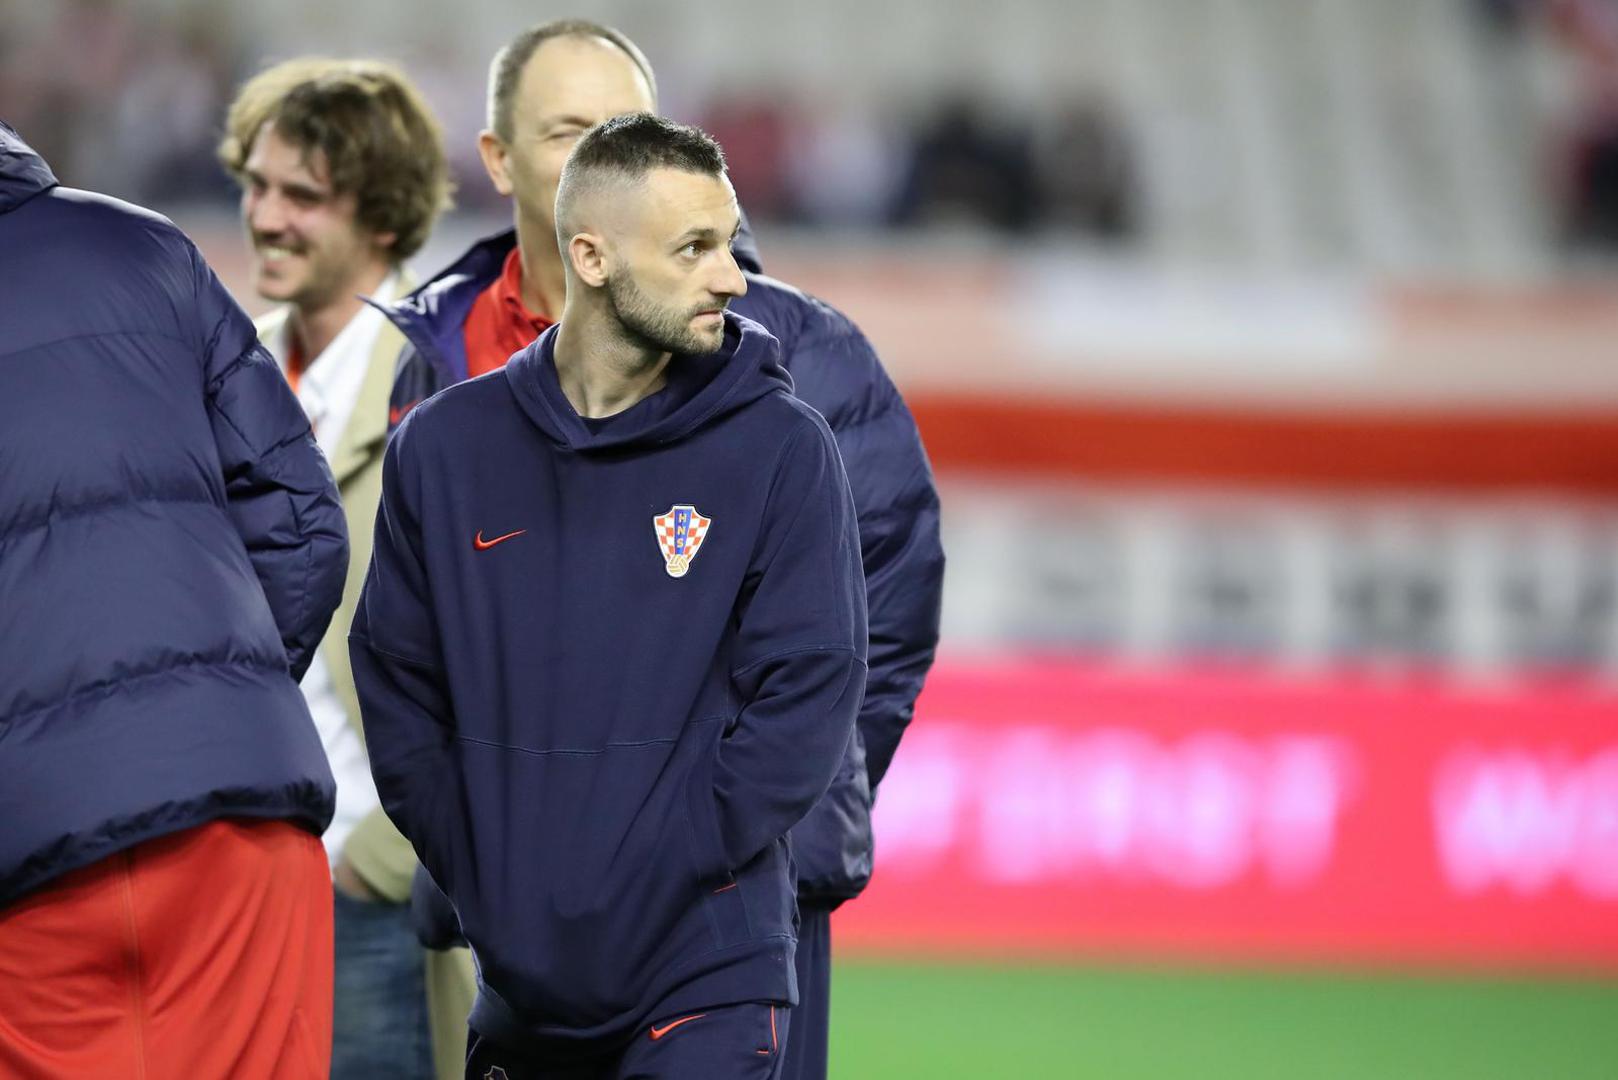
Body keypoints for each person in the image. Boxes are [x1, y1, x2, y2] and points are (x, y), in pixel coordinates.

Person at [383, 23, 945, 1079]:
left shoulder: (805, 379)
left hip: (721, 919)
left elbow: (863, 639)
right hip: (508, 923)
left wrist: (737, 835)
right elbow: (411, 671)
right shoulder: (435, 374)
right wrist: (487, 854)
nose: (726, 276)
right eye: (570, 130)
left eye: (628, 123)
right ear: (506, 162)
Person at [0, 119, 347, 1078]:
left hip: (24, 863)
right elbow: (305, 527)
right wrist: (191, 705)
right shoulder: (143, 245)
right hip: (238, 820)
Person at [216, 58, 476, 1080]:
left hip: (369, 881)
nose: (264, 217)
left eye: (301, 196)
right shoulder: (223, 370)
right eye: (255, 184)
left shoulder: (456, 388)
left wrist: (383, 862)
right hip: (242, 875)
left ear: (382, 215)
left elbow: (501, 660)